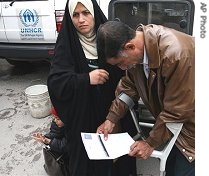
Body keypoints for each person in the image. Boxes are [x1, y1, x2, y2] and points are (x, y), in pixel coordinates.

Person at [47, 0, 136, 175]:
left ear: (94, 13)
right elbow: (56, 82)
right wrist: (85, 79)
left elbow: (128, 75)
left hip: (112, 110)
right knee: (88, 162)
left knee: (116, 159)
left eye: (86, 13)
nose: (81, 19)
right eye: (75, 14)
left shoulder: (109, 38)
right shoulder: (67, 43)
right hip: (83, 117)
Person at [96, 21, 195, 176]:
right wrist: (111, 119)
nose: (122, 68)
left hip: (194, 132)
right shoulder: (140, 52)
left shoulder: (176, 54)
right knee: (170, 168)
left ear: (129, 47)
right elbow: (128, 87)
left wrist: (150, 143)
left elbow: (177, 111)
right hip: (174, 127)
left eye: (121, 63)